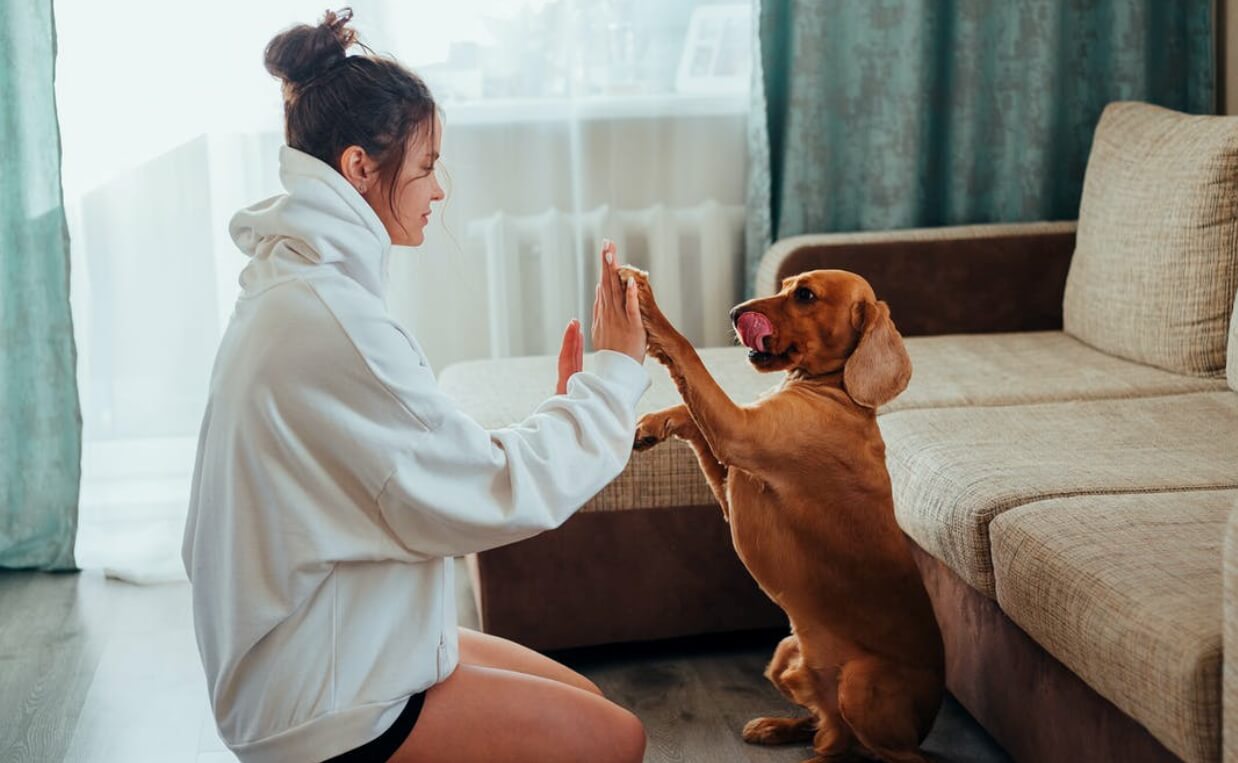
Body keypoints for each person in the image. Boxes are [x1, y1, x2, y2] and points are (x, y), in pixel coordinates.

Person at [181, 9, 649, 763]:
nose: (440, 189)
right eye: (428, 165)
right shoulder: (330, 319)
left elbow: (425, 463)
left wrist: (571, 404)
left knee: (588, 707)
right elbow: (488, 488)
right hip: (319, 693)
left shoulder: (303, 283)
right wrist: (617, 374)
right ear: (361, 166)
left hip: (328, 634)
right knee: (615, 740)